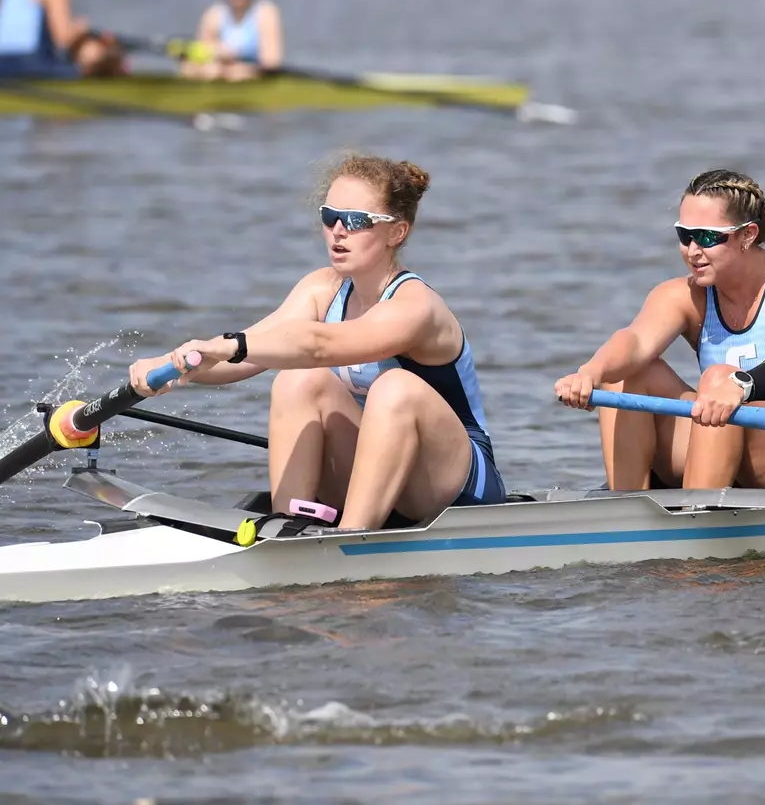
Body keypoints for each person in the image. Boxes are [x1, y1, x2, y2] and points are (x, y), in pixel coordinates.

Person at [128, 155, 505, 530]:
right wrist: (168, 365)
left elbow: (318, 345)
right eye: (330, 217)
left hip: (455, 487)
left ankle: (350, 541)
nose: (338, 231)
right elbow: (248, 355)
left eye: (356, 221)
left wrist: (229, 345)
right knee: (298, 380)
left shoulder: (416, 307)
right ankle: (287, 527)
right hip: (379, 476)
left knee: (395, 388)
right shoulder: (321, 288)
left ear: (397, 232)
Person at [554, 169, 765, 491]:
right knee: (624, 373)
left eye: (708, 236)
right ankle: (626, 514)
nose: (692, 250)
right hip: (719, 436)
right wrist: (590, 371)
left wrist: (741, 385)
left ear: (748, 235)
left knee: (719, 379)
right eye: (685, 236)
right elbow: (634, 342)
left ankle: (695, 518)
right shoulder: (683, 295)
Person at [181, 0, 284, 81]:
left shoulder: (265, 13)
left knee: (233, 73)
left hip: (252, 76)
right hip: (217, 73)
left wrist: (234, 57)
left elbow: (272, 62)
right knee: (199, 69)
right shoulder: (213, 16)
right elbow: (199, 58)